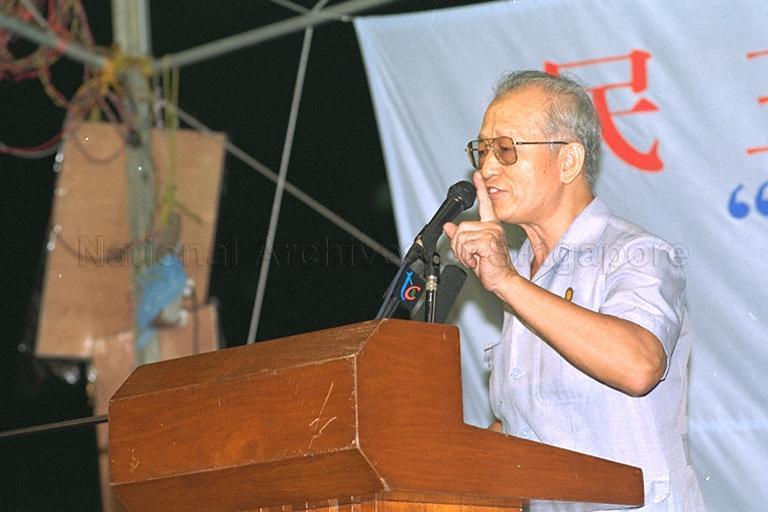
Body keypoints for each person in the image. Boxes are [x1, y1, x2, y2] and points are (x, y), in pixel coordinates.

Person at [443, 71, 705, 511]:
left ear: (568, 161)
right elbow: (527, 429)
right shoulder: (522, 270)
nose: (485, 169)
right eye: (482, 149)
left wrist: (508, 283)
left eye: (505, 150)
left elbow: (639, 366)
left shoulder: (637, 254)